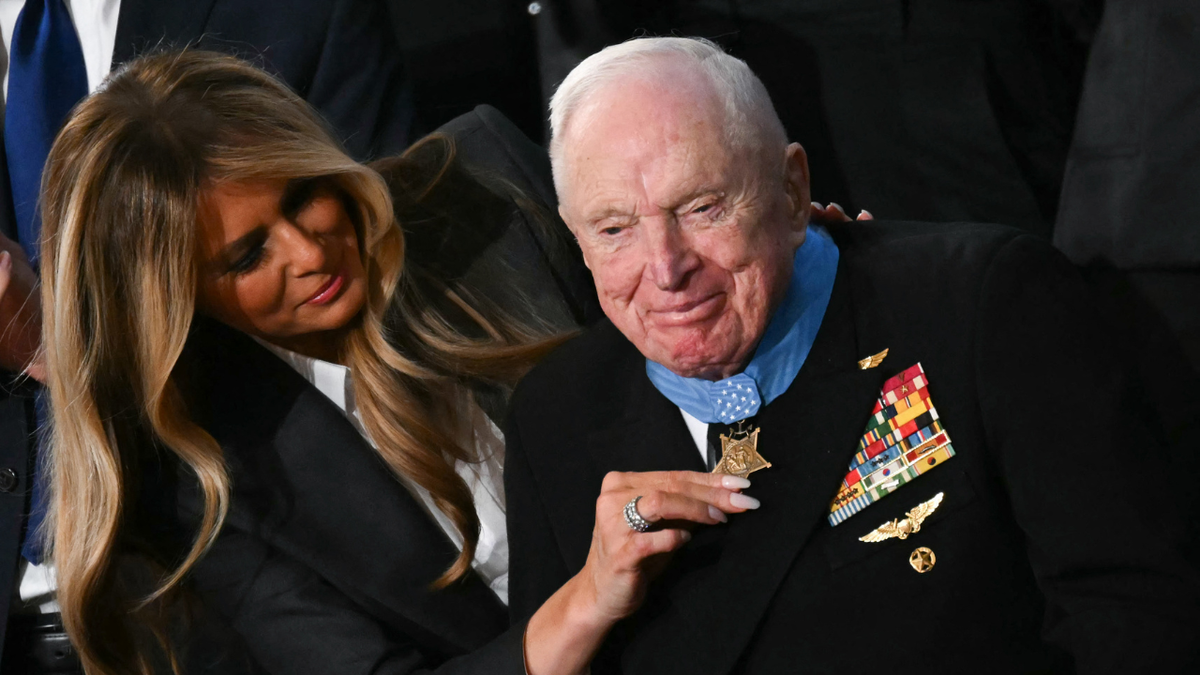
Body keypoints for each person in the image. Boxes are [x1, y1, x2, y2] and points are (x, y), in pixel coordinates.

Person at [36, 50, 761, 675]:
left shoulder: (483, 188)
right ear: (179, 299)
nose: (309, 252)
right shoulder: (201, 482)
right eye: (248, 256)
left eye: (303, 195)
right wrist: (587, 602)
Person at [505, 37, 1200, 673]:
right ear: (577, 239)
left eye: (702, 207)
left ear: (792, 190)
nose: (665, 269)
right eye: (614, 228)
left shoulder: (978, 305)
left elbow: (1137, 613)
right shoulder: (556, 417)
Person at [0, 1, 410, 670]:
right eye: (247, 255)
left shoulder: (303, 18)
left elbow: (391, 258)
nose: (304, 250)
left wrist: (59, 350)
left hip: (244, 593)